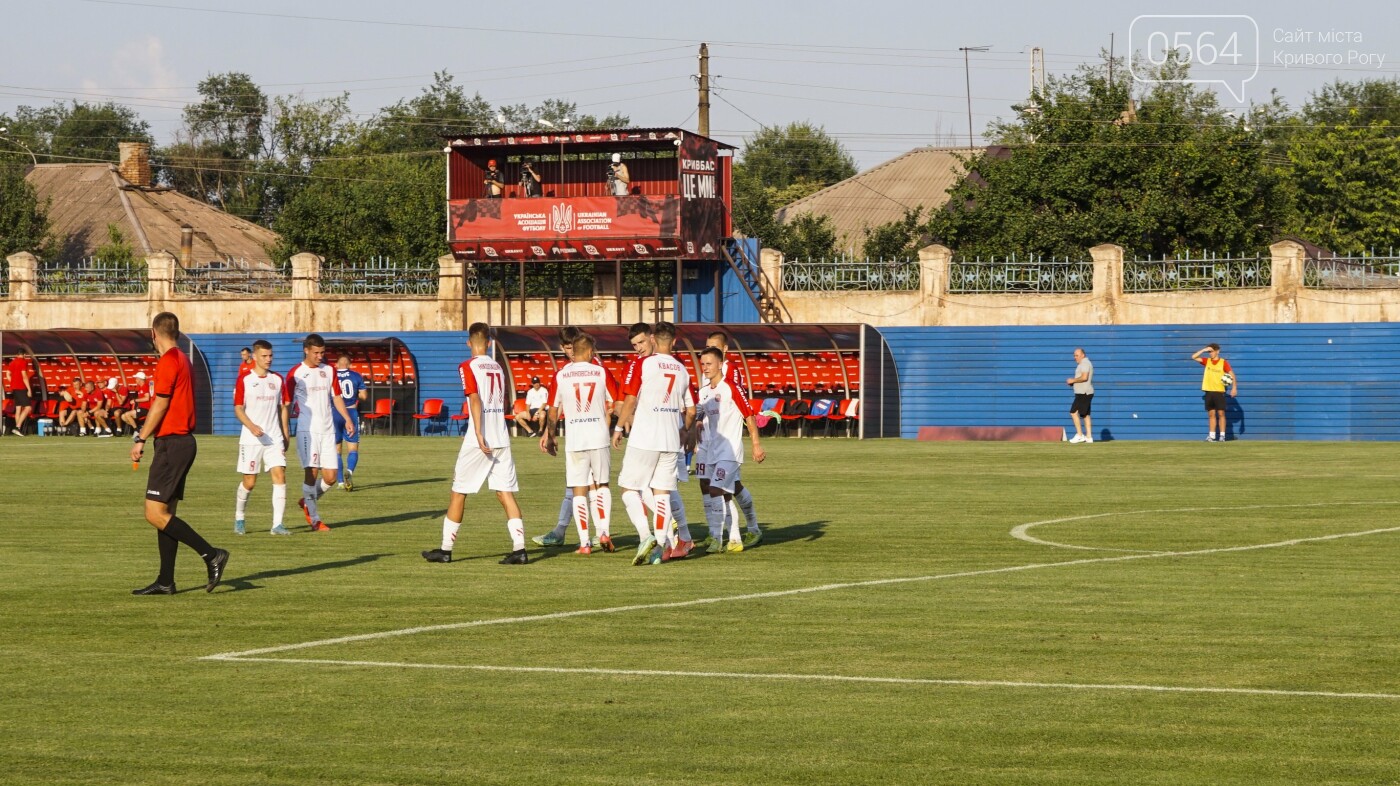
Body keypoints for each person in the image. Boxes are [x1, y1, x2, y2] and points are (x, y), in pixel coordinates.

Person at [129, 311, 228, 595]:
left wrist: (141, 437)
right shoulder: (183, 359)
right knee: (165, 512)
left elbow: (160, 404)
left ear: (153, 333)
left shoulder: (168, 361)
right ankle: (165, 581)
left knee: (153, 512)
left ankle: (212, 555)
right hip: (181, 442)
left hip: (172, 443)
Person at [422, 322, 529, 565]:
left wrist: (479, 434)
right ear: (489, 343)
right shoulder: (499, 368)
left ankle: (446, 550)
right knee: (505, 493)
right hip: (501, 436)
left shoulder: (467, 366)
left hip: (480, 439)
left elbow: (474, 399)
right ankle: (520, 549)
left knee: (458, 492)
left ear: (469, 342)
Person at [613, 321, 696, 565]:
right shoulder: (682, 369)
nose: (638, 347)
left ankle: (645, 535)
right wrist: (684, 431)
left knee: (628, 488)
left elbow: (628, 400)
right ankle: (663, 545)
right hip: (671, 440)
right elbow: (690, 410)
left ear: (652, 339)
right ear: (674, 341)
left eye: (641, 342)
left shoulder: (643, 364)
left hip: (645, 437)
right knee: (663, 494)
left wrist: (619, 427)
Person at [541, 332, 616, 555]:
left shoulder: (561, 375)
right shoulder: (601, 372)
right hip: (599, 436)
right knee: (602, 485)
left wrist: (552, 436)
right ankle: (604, 531)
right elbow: (615, 402)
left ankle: (584, 543)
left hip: (575, 439)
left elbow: (553, 410)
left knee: (578, 490)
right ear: (591, 352)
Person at [696, 347, 767, 553]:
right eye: (703, 364)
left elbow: (749, 415)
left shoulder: (732, 388)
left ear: (720, 364)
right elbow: (696, 417)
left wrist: (755, 444)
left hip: (730, 452)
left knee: (717, 490)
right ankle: (733, 536)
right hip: (712, 451)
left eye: (709, 364)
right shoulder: (704, 393)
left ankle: (726, 538)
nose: (705, 368)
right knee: (724, 493)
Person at [285, 334, 355, 531]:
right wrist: (283, 430)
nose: (319, 356)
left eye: (322, 353)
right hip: (308, 430)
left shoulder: (329, 370)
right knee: (312, 473)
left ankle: (307, 499)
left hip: (327, 430)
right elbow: (287, 405)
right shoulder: (296, 373)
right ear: (306, 350)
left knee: (331, 477)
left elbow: (337, 397)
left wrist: (348, 418)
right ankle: (315, 519)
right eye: (316, 352)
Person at [234, 339, 291, 536]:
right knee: (250, 482)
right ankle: (240, 517)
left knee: (279, 475)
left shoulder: (278, 380)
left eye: (271, 356)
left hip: (273, 437)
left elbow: (283, 407)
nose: (269, 359)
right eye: (265, 356)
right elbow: (238, 408)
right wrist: (251, 426)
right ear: (255, 357)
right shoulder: (244, 379)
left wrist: (285, 432)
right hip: (251, 438)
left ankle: (277, 525)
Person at [333, 354, 368, 490]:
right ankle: (350, 471)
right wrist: (355, 394)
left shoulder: (332, 376)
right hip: (351, 412)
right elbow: (364, 396)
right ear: (350, 365)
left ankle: (341, 482)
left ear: (337, 365)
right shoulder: (356, 376)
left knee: (336, 449)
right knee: (353, 448)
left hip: (335, 413)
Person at [1191, 343, 1237, 442]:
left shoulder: (1223, 362)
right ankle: (1211, 436)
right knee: (1211, 414)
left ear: (1217, 351)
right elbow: (1193, 357)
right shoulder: (1207, 361)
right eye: (1209, 352)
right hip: (1208, 391)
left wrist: (1234, 388)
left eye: (1211, 351)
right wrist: (1203, 350)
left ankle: (1222, 436)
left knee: (1221, 414)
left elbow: (1232, 375)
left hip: (1219, 392)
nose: (1210, 353)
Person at [1066, 347, 1095, 444]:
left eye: (1077, 355)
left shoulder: (1085, 363)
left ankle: (1079, 435)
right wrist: (1074, 383)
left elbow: (1084, 377)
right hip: (1085, 392)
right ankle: (1089, 437)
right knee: (1085, 415)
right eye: (1074, 355)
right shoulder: (1084, 363)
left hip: (1083, 393)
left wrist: (1073, 380)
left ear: (1083, 355)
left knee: (1073, 412)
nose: (1075, 357)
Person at [4, 352, 33, 436]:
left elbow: (7, 374)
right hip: (21, 388)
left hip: (14, 388)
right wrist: (29, 389)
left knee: (18, 409)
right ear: (24, 354)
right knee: (28, 408)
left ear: (16, 354)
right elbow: (24, 376)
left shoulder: (12, 362)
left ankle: (18, 430)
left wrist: (12, 382)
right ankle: (17, 427)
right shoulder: (23, 362)